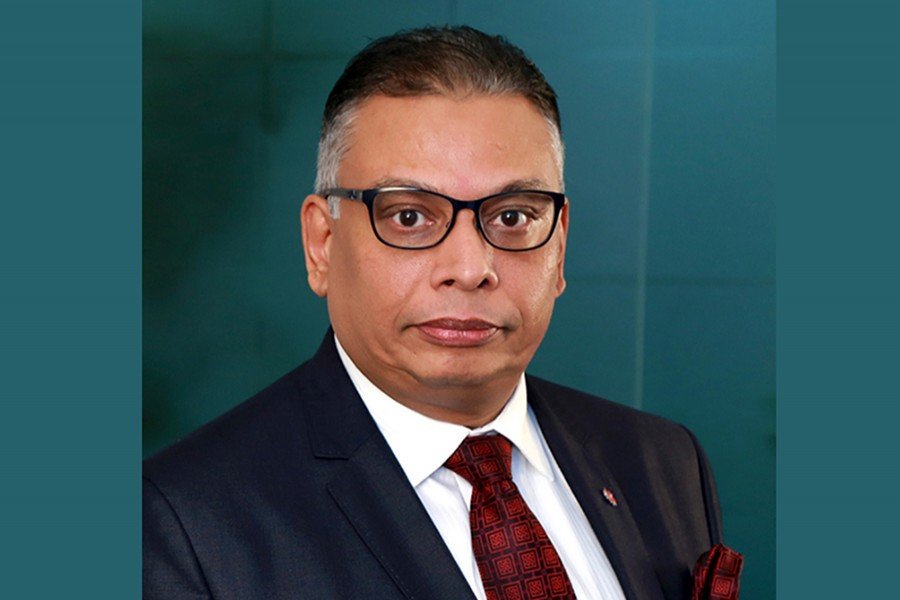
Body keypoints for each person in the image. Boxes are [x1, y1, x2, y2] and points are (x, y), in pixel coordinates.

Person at [144, 26, 724, 600]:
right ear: (322, 244)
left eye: (513, 216)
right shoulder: (182, 523)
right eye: (409, 217)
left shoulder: (663, 462)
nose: (469, 268)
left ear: (560, 244)